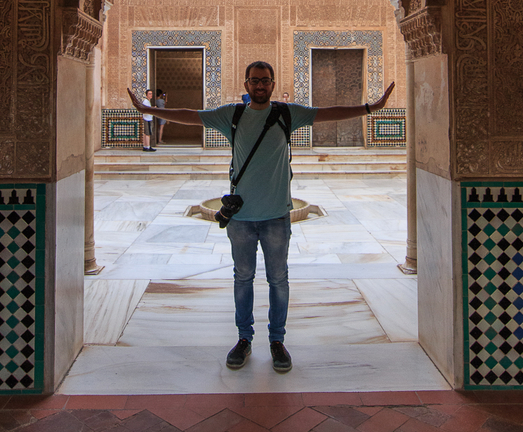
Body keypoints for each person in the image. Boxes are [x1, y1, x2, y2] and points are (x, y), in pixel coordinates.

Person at [128, 62, 394, 373]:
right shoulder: (233, 114)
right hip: (241, 218)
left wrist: (371, 107)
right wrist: (148, 109)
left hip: (277, 217)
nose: (260, 86)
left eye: (265, 81)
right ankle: (244, 339)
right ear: (247, 83)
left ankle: (277, 341)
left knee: (278, 280)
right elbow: (191, 116)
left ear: (272, 83)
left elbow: (327, 112)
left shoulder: (286, 113)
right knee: (243, 280)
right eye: (255, 81)